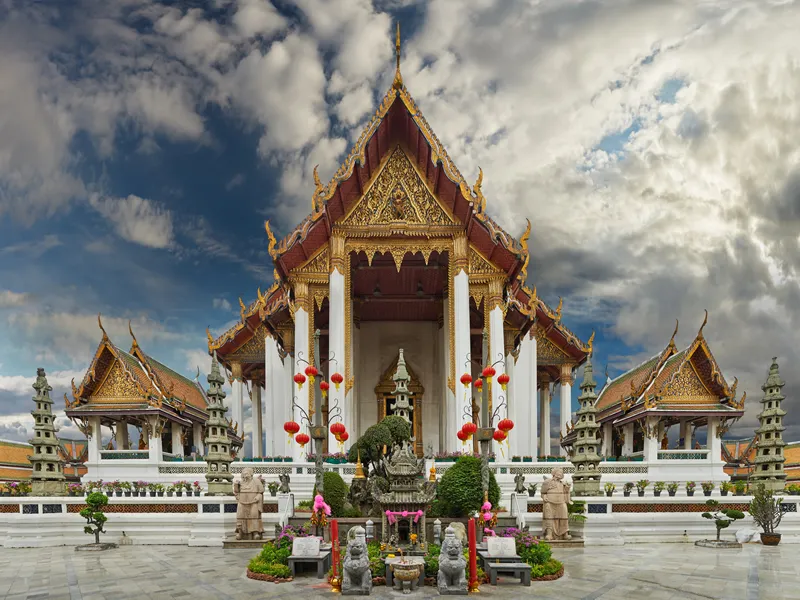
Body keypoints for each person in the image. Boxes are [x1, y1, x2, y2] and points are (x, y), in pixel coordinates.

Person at [233, 467, 264, 540]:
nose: (245, 475)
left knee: (254, 516)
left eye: (246, 473)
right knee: (240, 516)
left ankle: (255, 533)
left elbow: (261, 492)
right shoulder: (240, 482)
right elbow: (236, 492)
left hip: (253, 502)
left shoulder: (256, 481)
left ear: (251, 474)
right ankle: (240, 532)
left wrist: (258, 497)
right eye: (244, 473)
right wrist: (236, 485)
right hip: (242, 502)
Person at [541, 467, 571, 541]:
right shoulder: (547, 482)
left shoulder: (563, 484)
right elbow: (543, 493)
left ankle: (565, 534)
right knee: (549, 518)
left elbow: (566, 494)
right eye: (559, 472)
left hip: (561, 502)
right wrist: (544, 496)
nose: (560, 474)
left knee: (564, 517)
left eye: (561, 473)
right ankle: (549, 534)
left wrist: (567, 489)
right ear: (554, 473)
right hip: (550, 502)